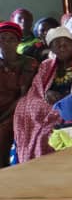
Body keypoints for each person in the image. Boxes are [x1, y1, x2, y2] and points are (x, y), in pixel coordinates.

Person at [13, 26, 72, 162]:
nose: (62, 47)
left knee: (48, 132)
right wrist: (46, 93)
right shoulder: (46, 65)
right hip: (49, 104)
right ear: (52, 48)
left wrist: (67, 96)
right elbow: (37, 88)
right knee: (25, 109)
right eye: (57, 44)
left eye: (66, 43)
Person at [0, 20, 38, 166]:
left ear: (18, 42)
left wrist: (2, 117)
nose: (6, 43)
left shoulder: (29, 63)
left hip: (17, 110)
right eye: (2, 39)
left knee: (3, 133)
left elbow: (23, 97)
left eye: (11, 39)